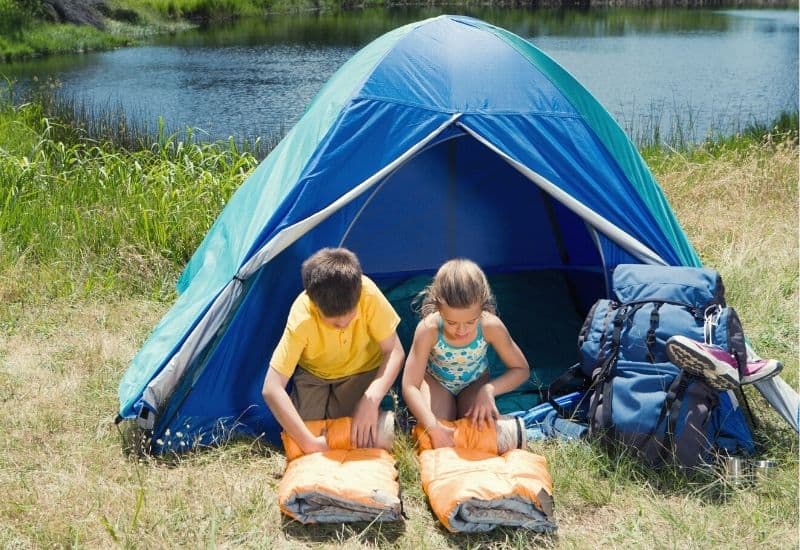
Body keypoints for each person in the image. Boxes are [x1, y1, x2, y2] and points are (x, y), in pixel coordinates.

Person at [262, 247, 405, 454]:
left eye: (350, 316)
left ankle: (354, 412)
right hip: (314, 375)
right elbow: (271, 388)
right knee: (301, 439)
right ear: (314, 304)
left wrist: (371, 398)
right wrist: (308, 442)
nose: (344, 324)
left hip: (360, 371)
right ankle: (328, 413)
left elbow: (395, 351)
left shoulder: (369, 294)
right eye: (335, 323)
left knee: (370, 433)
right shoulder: (302, 317)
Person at [402, 258, 531, 449]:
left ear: (482, 309)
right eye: (452, 322)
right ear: (438, 308)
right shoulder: (428, 328)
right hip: (436, 382)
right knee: (433, 435)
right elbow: (410, 385)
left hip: (475, 383)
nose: (461, 331)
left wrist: (489, 390)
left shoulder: (490, 325)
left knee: (480, 432)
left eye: (471, 322)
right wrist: (432, 425)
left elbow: (521, 369)